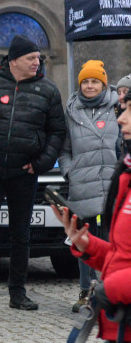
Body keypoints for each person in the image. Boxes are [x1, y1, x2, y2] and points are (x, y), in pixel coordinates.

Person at [44, 92, 131, 343]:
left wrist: (110, 289)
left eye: (129, 110)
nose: (122, 118)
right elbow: (123, 255)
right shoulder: (126, 175)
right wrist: (87, 247)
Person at [0, 34, 65, 312]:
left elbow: (57, 132)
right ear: (14, 60)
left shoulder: (48, 90)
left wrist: (41, 162)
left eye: (38, 58)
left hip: (24, 172)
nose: (37, 62)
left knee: (21, 234)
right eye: (31, 58)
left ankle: (17, 293)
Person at [58, 60, 120, 312]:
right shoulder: (72, 111)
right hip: (82, 185)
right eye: (86, 81)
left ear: (103, 84)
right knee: (84, 240)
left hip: (111, 184)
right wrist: (69, 172)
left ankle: (107, 290)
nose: (90, 86)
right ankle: (85, 290)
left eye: (95, 81)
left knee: (110, 241)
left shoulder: (117, 108)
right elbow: (65, 149)